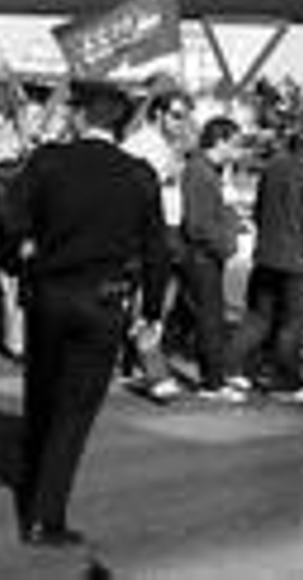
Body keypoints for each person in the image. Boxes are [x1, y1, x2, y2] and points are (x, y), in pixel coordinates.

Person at [0, 80, 170, 548]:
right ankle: (44, 515)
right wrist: (152, 310)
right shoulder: (139, 174)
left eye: (73, 110)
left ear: (82, 116)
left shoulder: (49, 161)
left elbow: (9, 217)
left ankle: (31, 486)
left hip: (50, 295)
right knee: (74, 413)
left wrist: (18, 259)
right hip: (105, 302)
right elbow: (158, 250)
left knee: (42, 395)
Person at [224, 115, 303, 404]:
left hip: (267, 255)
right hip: (298, 262)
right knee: (293, 324)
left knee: (257, 318)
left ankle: (226, 367)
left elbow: (260, 210)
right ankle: (285, 381)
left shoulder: (276, 165)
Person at [121, 88, 196, 402]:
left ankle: (137, 364)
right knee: (150, 304)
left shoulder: (167, 146)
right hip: (150, 233)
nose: (182, 123)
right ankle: (154, 373)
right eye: (176, 116)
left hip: (170, 232)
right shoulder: (141, 146)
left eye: (186, 117)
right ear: (158, 114)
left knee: (157, 303)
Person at [179, 116, 246, 401]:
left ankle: (215, 376)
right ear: (220, 141)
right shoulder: (200, 172)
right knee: (210, 319)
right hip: (203, 256)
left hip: (207, 255)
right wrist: (223, 245)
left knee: (203, 317)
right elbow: (198, 224)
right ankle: (213, 383)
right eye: (235, 143)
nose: (239, 149)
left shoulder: (211, 170)